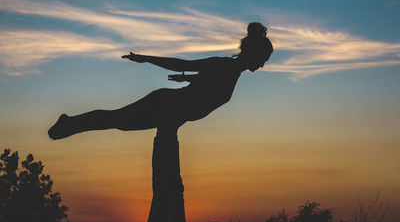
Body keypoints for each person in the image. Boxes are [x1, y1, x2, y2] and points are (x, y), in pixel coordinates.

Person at [48, 22, 273, 140]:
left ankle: (70, 124)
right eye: (263, 59)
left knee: (118, 121)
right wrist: (146, 59)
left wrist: (186, 79)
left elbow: (207, 84)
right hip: (167, 106)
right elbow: (183, 64)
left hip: (174, 113)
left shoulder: (231, 72)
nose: (262, 65)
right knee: (117, 120)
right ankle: (69, 124)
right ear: (254, 54)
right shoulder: (225, 65)